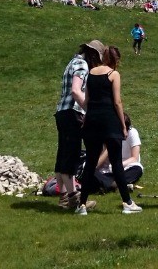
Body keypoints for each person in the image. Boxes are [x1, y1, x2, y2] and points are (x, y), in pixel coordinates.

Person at [77, 46, 142, 215]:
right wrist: (122, 125)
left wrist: (86, 118)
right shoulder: (113, 74)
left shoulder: (91, 73)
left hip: (92, 121)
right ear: (116, 60)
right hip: (109, 121)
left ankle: (81, 205)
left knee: (91, 162)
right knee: (116, 162)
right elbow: (117, 102)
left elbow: (88, 99)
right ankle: (127, 202)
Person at [53, 40, 104, 209]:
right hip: (72, 113)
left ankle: (63, 197)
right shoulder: (82, 65)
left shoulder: (72, 62)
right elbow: (76, 90)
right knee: (72, 155)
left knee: (62, 154)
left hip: (61, 112)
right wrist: (89, 110)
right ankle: (75, 199)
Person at [94, 112, 143, 192]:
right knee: (90, 172)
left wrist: (118, 166)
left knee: (137, 169)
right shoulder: (103, 135)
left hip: (126, 166)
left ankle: (111, 184)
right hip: (106, 171)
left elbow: (134, 158)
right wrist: (107, 149)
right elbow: (95, 165)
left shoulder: (132, 133)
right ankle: (116, 184)